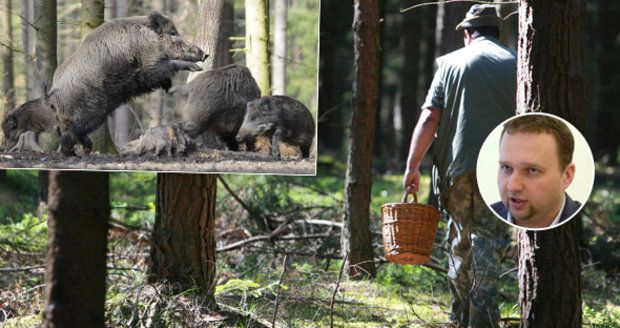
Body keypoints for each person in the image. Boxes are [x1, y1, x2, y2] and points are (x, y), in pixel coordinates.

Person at [402, 4, 515, 327]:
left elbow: (429, 117)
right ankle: (483, 319)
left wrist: (413, 166)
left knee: (459, 241)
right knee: (488, 240)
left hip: (457, 170)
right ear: (497, 32)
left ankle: (459, 316)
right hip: (502, 172)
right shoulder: (519, 64)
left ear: (468, 34)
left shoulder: (450, 63)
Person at [491, 114, 581, 229]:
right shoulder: (479, 220)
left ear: (566, 176)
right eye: (506, 167)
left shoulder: (590, 229)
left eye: (532, 170)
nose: (513, 186)